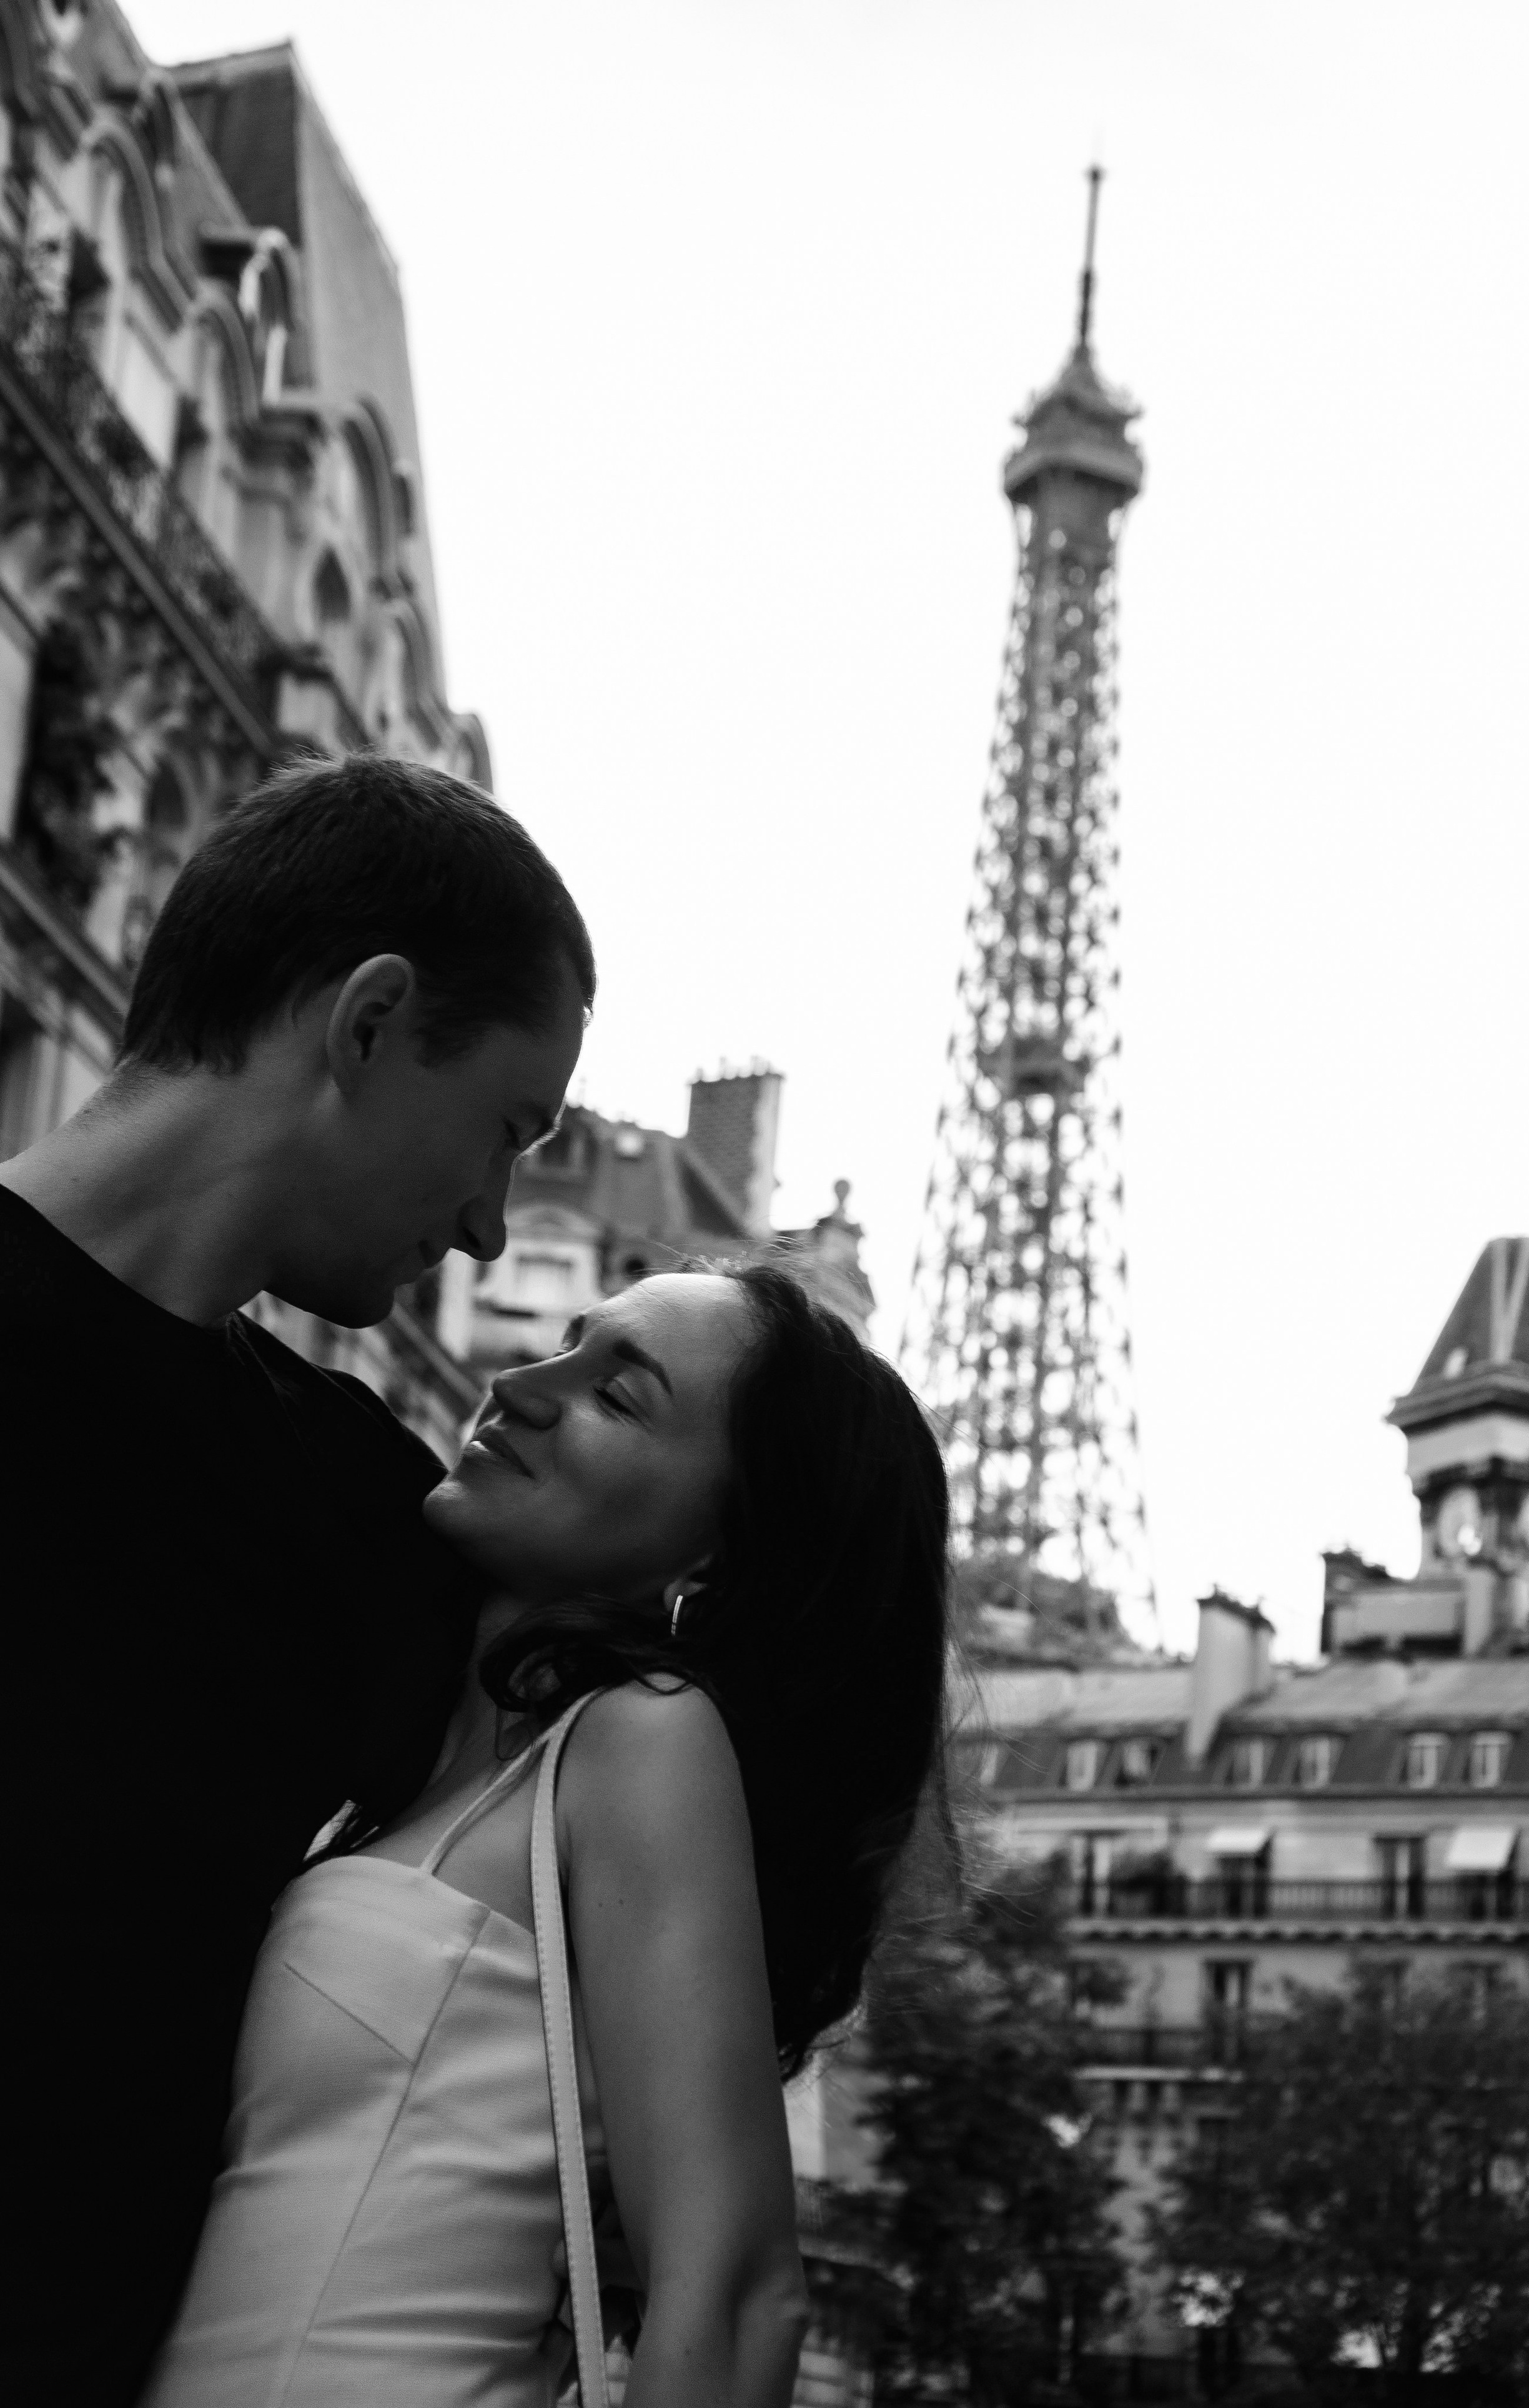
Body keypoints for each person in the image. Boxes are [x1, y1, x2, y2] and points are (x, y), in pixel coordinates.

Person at [1, 755, 593, 2405]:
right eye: (508, 1130)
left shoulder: (372, 1515)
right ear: (370, 1021)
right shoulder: (353, 1524)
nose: (487, 1225)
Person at [141, 1262, 951, 2408]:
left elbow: (735, 2298)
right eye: (566, 1346)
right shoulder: (420, 1762)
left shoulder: (643, 1737)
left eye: (616, 1394)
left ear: (721, 1552)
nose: (521, 1383)